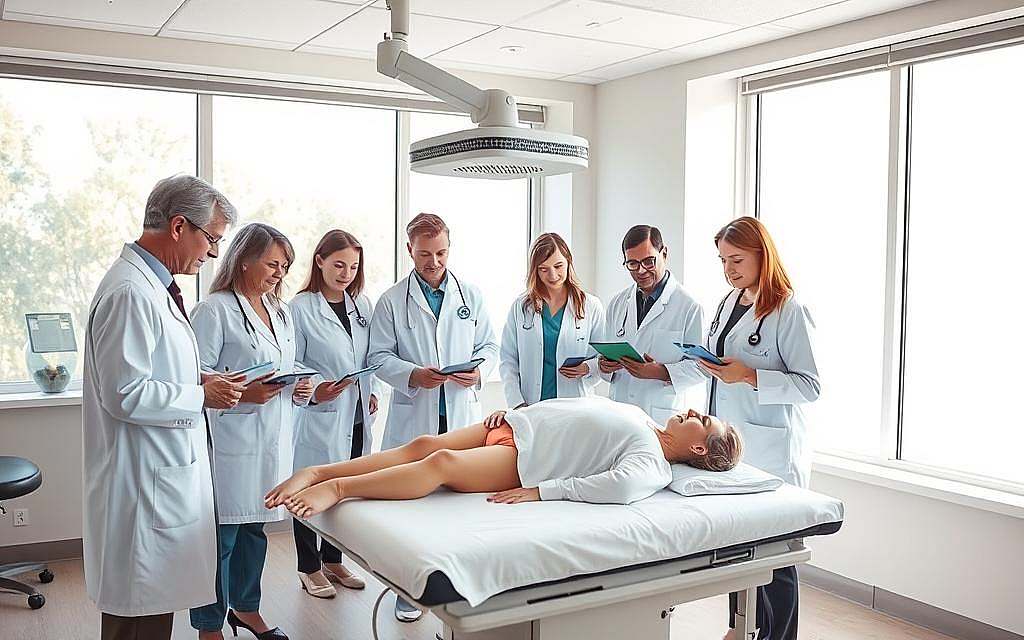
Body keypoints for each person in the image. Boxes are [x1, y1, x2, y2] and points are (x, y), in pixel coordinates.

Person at [83, 174, 245, 640]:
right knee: (138, 621)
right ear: (179, 227)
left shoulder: (154, 287)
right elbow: (125, 393)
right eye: (211, 238)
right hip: (142, 490)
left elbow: (148, 371)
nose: (213, 253)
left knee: (154, 612)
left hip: (159, 481)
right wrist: (201, 395)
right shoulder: (131, 292)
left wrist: (198, 378)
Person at [265, 397, 742, 517]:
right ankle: (318, 469)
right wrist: (517, 412)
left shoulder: (652, 465)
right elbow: (570, 408)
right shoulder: (642, 416)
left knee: (440, 466)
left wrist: (541, 491)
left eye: (704, 420)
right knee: (424, 444)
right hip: (517, 425)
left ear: (698, 447)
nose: (695, 410)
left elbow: (618, 489)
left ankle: (339, 487)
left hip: (523, 462)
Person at [367, 212, 499, 621]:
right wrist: (412, 375)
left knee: (458, 511)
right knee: (413, 512)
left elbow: (490, 347)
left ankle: (458, 589)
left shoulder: (471, 295)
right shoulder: (392, 300)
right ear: (410, 250)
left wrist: (479, 372)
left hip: (459, 413)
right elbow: (377, 356)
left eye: (441, 252)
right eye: (425, 254)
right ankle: (408, 593)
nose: (434, 262)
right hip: (416, 415)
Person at [189, 223, 313, 640]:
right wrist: (245, 395)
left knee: (255, 531)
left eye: (285, 266)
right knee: (220, 538)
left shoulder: (280, 311)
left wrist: (300, 386)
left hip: (271, 438)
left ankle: (246, 609)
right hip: (228, 442)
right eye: (272, 263)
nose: (279, 273)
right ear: (244, 259)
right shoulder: (215, 310)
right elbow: (194, 377)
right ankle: (209, 626)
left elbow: (284, 367)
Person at [700, 217, 820, 640]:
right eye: (722, 260)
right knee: (738, 548)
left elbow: (810, 386)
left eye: (736, 259)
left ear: (761, 255)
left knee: (776, 556)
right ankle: (741, 628)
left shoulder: (789, 309)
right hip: (732, 447)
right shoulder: (728, 301)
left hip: (771, 451)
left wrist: (750, 377)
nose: (728, 270)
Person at [289, 230, 380, 598]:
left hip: (357, 415)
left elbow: (372, 356)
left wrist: (372, 393)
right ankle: (308, 566)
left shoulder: (363, 306)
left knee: (345, 491)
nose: (345, 273)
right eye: (339, 264)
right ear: (320, 261)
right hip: (321, 413)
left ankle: (333, 559)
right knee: (311, 489)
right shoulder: (300, 308)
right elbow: (291, 361)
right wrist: (316, 388)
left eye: (353, 266)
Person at [600, 225, 706, 424]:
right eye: (632, 263)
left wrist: (660, 371)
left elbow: (701, 368)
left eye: (649, 261)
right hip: (620, 411)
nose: (641, 270)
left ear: (664, 253)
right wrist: (604, 366)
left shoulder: (689, 307)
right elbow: (608, 355)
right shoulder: (617, 303)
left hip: (661, 416)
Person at [499, 233, 605, 409]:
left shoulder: (591, 306)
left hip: (575, 405)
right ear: (535, 270)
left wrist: (587, 367)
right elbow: (508, 360)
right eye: (544, 269)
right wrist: (517, 404)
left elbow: (604, 356)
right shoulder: (521, 307)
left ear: (569, 262)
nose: (553, 275)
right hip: (532, 406)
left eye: (558, 266)